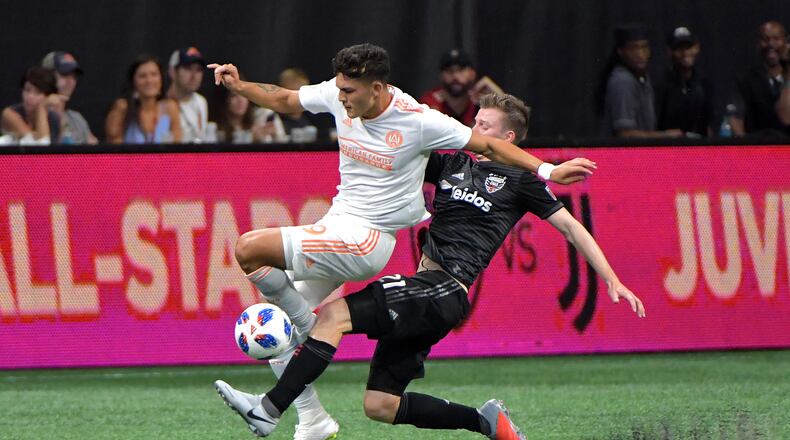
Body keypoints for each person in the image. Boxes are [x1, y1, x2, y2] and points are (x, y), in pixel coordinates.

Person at [207, 43, 595, 439]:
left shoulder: (418, 120)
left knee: (249, 249)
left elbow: (491, 146)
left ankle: (283, 382)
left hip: (366, 240)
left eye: (350, 91)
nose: (342, 98)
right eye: (339, 89)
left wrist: (548, 170)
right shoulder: (339, 95)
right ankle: (313, 421)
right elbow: (286, 99)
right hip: (338, 224)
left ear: (376, 88)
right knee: (287, 327)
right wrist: (240, 87)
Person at [600, 24, 684, 138]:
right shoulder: (623, 81)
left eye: (644, 47)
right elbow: (625, 134)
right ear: (621, 51)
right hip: (624, 150)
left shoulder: (642, 77)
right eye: (633, 48)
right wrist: (666, 136)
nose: (640, 54)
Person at [728, 20, 790, 137]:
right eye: (765, 39)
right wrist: (745, 146)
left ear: (786, 42)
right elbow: (735, 119)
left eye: (776, 39)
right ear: (758, 44)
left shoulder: (788, 79)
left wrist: (788, 73)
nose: (771, 44)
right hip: (758, 146)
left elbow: (787, 118)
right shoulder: (745, 81)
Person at [105, 54, 181, 144]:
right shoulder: (123, 107)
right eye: (143, 76)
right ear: (133, 82)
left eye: (154, 74)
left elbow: (177, 145)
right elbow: (114, 146)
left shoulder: (170, 108)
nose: (149, 80)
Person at [654, 27, 713, 137]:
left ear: (696, 48)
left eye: (688, 47)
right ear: (669, 51)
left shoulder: (704, 83)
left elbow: (709, 123)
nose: (685, 53)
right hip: (669, 145)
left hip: (699, 145)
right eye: (679, 49)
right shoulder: (661, 84)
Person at [420, 49, 502, 127]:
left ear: (472, 74)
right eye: (449, 71)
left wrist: (499, 96)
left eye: (461, 70)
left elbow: (506, 125)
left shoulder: (480, 102)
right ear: (441, 76)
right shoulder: (430, 102)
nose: (455, 76)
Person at [41, 51, 98, 144]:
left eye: (74, 76)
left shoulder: (77, 119)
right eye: (64, 75)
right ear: (47, 76)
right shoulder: (30, 114)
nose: (71, 81)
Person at [1, 66, 60, 145]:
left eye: (37, 92)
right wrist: (41, 108)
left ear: (48, 96)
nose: (30, 97)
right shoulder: (9, 114)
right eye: (27, 90)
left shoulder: (53, 117)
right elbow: (40, 143)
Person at [167, 47, 209, 142]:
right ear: (173, 71)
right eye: (188, 68)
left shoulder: (201, 102)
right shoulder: (162, 104)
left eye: (198, 70)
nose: (194, 75)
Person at [211, 77, 272, 143]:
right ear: (225, 100)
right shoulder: (214, 129)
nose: (240, 100)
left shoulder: (255, 126)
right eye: (234, 96)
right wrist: (251, 138)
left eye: (244, 95)